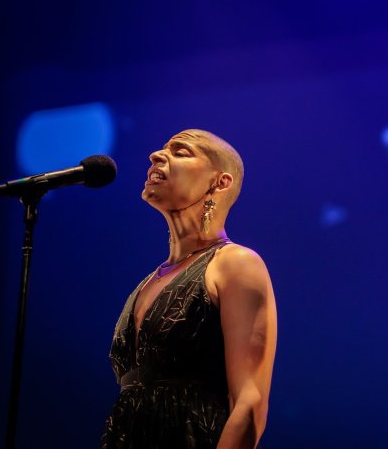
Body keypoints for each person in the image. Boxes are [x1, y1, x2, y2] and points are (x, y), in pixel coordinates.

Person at [102, 129, 277, 449]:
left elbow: (250, 404)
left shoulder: (235, 264)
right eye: (161, 149)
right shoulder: (149, 281)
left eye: (181, 151)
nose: (156, 155)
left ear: (220, 182)